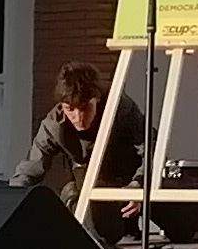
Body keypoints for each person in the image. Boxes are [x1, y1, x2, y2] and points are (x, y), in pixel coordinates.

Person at [23, 60, 144, 207]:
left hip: (129, 175)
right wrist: (13, 199)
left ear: (97, 99)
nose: (79, 118)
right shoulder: (55, 124)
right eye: (70, 110)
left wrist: (138, 184)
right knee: (71, 191)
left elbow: (151, 148)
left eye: (85, 108)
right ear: (61, 105)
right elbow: (31, 167)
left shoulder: (120, 108)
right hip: (88, 183)